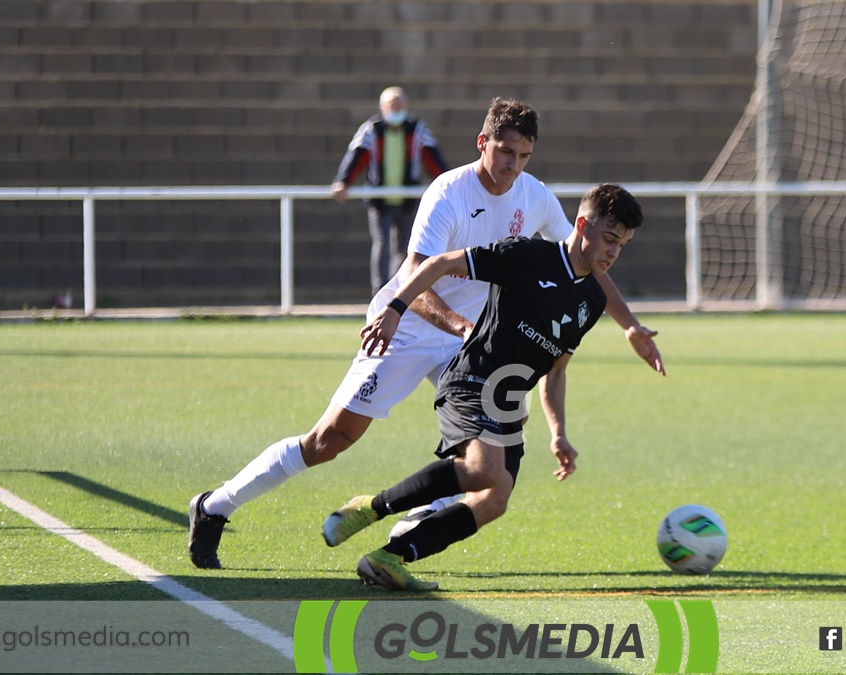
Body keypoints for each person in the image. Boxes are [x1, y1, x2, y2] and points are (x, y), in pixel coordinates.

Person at [187, 98, 664, 570]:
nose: (514, 166)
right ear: (483, 143)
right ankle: (215, 505)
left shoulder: (533, 195)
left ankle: (404, 534)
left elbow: (587, 259)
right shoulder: (448, 193)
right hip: (411, 324)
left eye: (524, 156)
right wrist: (458, 326)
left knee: (486, 468)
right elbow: (418, 277)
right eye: (505, 152)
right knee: (329, 441)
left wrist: (631, 327)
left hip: (470, 345)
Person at [322, 183, 644, 591]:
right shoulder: (527, 255)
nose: (614, 252)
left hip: (507, 403)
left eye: (623, 245)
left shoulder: (592, 300)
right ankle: (370, 508)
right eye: (610, 239)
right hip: (471, 379)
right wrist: (394, 310)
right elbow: (438, 263)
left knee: (494, 500)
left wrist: (559, 434)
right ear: (581, 225)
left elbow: (557, 370)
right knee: (482, 470)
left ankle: (389, 558)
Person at [331, 86, 449, 292]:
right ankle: (379, 294)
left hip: (407, 200)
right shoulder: (371, 130)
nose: (396, 111)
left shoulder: (417, 129)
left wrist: (447, 183)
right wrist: (343, 181)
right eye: (392, 107)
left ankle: (399, 294)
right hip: (380, 201)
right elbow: (356, 156)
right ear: (382, 108)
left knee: (404, 250)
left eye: (400, 106)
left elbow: (433, 158)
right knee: (382, 247)